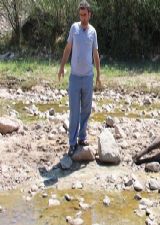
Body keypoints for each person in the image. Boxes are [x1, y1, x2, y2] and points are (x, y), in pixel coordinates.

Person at [58, 0, 101, 156]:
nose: (82, 17)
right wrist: (62, 66)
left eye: (85, 14)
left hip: (88, 77)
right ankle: (72, 142)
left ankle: (82, 137)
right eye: (80, 15)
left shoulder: (93, 32)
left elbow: (95, 53)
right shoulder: (74, 28)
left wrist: (98, 74)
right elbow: (68, 48)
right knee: (74, 111)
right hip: (75, 78)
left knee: (87, 109)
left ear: (89, 14)